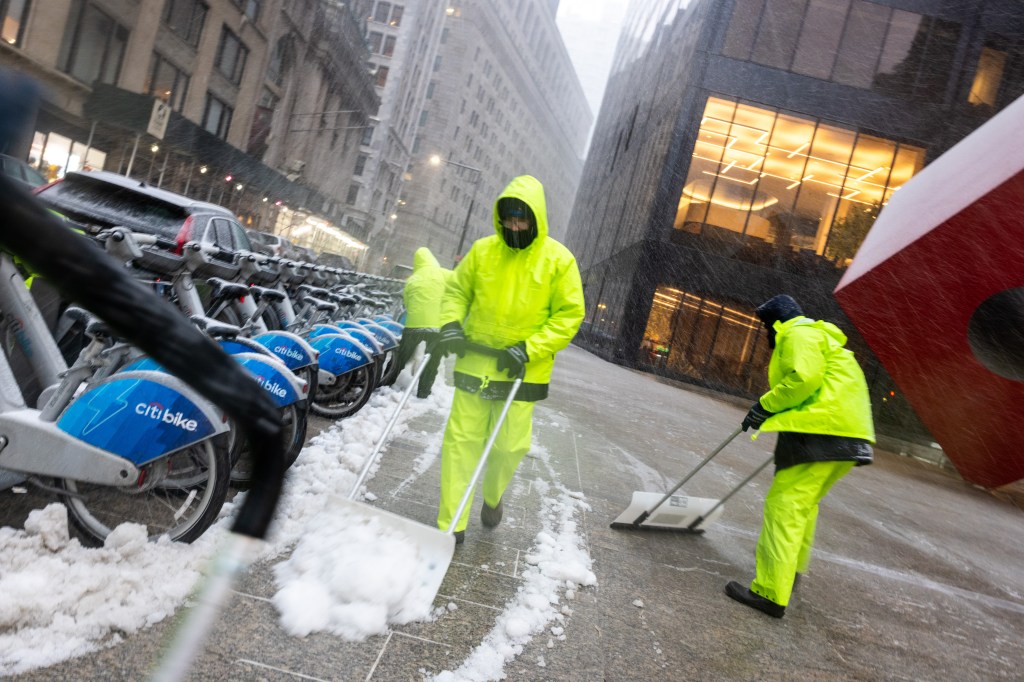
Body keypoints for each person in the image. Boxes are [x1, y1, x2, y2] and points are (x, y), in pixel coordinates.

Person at [433, 175, 585, 543]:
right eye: (509, 219)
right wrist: (451, 324)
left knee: (508, 447)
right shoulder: (483, 251)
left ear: (536, 219)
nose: (515, 226)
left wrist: (529, 348)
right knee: (461, 444)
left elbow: (569, 314)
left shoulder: (559, 261)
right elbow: (456, 290)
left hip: (521, 371)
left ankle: (492, 495)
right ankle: (452, 525)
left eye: (522, 220)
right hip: (475, 362)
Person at [725, 294, 874, 618]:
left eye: (765, 326)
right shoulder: (821, 337)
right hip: (849, 435)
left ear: (775, 322)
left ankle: (769, 592)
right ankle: (789, 575)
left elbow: (804, 378)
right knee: (803, 507)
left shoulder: (796, 333)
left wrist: (764, 405)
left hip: (821, 431)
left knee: (784, 507)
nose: (765, 334)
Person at [395, 246, 452, 398]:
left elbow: (406, 302)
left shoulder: (413, 278)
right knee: (432, 361)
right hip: (436, 326)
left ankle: (389, 382)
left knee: (401, 356)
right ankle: (423, 391)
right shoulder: (443, 274)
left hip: (413, 325)